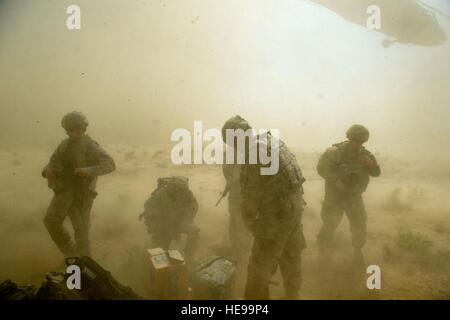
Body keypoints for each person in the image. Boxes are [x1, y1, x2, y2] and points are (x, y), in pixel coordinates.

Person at [222, 115, 306, 299]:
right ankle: (292, 294)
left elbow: (250, 199)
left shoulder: (253, 154)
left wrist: (251, 223)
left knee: (258, 267)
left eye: (231, 144)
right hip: (294, 208)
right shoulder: (272, 141)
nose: (233, 149)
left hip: (276, 215)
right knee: (290, 256)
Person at [42, 111, 116, 257]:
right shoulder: (64, 145)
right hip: (63, 193)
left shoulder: (91, 146)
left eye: (73, 129)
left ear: (82, 128)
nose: (69, 133)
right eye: (67, 130)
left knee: (81, 232)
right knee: (51, 222)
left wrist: (86, 171)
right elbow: (52, 163)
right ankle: (71, 256)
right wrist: (46, 172)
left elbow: (110, 164)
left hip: (81, 196)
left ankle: (84, 265)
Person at [316, 124, 381, 266]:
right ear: (349, 138)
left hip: (354, 196)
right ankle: (324, 255)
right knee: (330, 224)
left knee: (359, 223)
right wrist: (334, 180)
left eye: (361, 142)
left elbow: (376, 173)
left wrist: (371, 165)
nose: (358, 145)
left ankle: (358, 253)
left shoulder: (365, 155)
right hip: (335, 197)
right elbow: (321, 169)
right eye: (356, 141)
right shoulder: (334, 152)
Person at [139, 176, 199, 265]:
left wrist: (184, 220)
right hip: (163, 226)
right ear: (173, 189)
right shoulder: (160, 195)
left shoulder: (187, 194)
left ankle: (190, 258)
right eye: (178, 190)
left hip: (178, 223)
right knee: (158, 253)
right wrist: (157, 227)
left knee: (194, 230)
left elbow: (194, 208)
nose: (180, 193)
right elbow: (149, 209)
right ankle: (148, 263)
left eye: (182, 190)